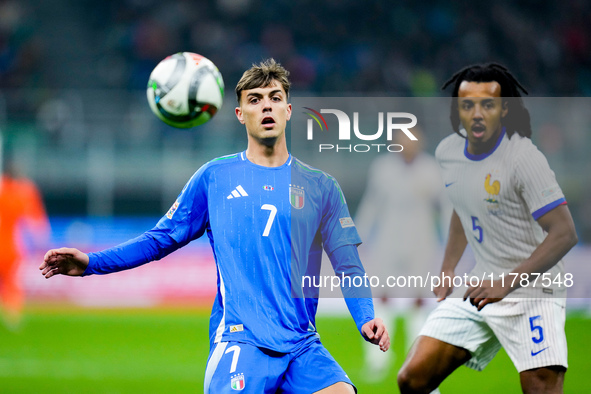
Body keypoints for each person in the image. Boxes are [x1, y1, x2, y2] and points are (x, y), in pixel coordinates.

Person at [40, 58, 389, 393]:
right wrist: (92, 264)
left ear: (289, 110)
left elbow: (347, 264)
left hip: (302, 345)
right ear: (240, 114)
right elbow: (159, 240)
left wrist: (365, 316)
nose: (266, 106)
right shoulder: (214, 178)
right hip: (241, 340)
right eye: (255, 100)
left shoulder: (321, 187)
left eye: (275, 98)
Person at [397, 63, 578, 394]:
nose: (477, 113)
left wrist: (507, 283)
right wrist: (448, 267)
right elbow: (462, 208)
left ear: (504, 108)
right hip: (482, 287)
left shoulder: (524, 159)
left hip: (534, 292)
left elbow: (565, 233)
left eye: (488, 104)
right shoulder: (449, 152)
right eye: (468, 105)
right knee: (413, 379)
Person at [355, 127, 450, 380]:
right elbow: (372, 204)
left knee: (418, 301)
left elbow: (444, 207)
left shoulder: (431, 169)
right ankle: (377, 361)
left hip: (421, 242)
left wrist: (451, 241)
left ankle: (415, 359)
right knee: (382, 298)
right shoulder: (383, 168)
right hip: (388, 241)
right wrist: (357, 235)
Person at [0, 155, 50, 329]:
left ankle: (12, 315)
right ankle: (13, 317)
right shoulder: (24, 191)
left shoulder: (7, 190)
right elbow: (35, 221)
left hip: (8, 245)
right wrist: (41, 239)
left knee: (12, 282)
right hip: (11, 247)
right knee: (12, 282)